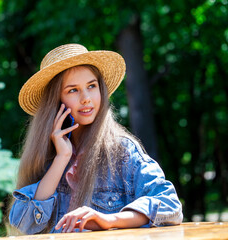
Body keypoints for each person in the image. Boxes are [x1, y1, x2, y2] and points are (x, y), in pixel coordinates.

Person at [9, 43, 183, 234]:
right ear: (56, 101)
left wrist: (108, 220)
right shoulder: (47, 155)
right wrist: (62, 158)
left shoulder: (122, 151)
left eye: (91, 86)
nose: (86, 98)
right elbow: (24, 224)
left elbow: (170, 205)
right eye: (73, 90)